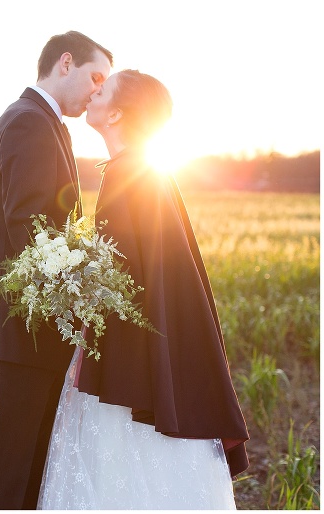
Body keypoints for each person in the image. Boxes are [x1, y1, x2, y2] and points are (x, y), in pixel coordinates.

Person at [37, 69, 250, 509]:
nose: (94, 92)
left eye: (104, 90)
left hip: (128, 355)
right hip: (147, 346)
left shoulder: (128, 174)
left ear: (115, 113)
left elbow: (123, 273)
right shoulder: (148, 170)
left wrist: (71, 280)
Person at [0, 31, 113, 509]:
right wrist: (84, 299)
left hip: (24, 340)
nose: (97, 90)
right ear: (64, 62)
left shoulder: (38, 120)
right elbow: (32, 231)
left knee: (26, 479)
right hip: (14, 340)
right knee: (7, 479)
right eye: (96, 77)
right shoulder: (29, 123)